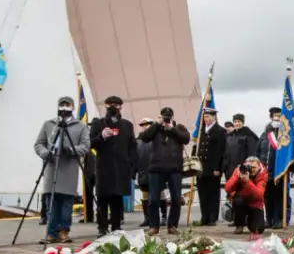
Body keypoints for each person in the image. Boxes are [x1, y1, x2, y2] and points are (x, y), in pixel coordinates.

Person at [34, 96, 90, 245]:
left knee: (66, 203)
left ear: (72, 107)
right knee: (51, 202)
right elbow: (39, 144)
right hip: (51, 168)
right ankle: (51, 233)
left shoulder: (80, 126)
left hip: (69, 170)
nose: (64, 108)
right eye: (62, 105)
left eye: (68, 105)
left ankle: (64, 231)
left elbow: (85, 146)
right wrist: (45, 153)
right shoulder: (49, 124)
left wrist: (71, 150)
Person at [89, 96, 137, 234]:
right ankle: (102, 227)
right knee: (102, 198)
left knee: (117, 199)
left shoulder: (127, 125)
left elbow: (132, 147)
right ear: (105, 105)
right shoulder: (98, 123)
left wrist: (133, 166)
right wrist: (102, 136)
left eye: (117, 105)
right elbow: (91, 144)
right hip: (104, 167)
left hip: (121, 167)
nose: (114, 107)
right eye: (111, 105)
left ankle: (116, 227)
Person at [139, 107, 190, 236]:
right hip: (156, 168)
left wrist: (172, 128)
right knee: (153, 199)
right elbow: (144, 137)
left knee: (176, 199)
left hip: (174, 169)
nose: (167, 119)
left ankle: (172, 225)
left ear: (173, 117)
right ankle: (153, 226)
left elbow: (186, 139)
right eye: (164, 117)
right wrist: (157, 124)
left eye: (169, 117)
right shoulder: (156, 128)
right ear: (160, 117)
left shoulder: (179, 127)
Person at [196, 107, 227, 226]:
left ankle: (212, 218)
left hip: (213, 168)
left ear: (214, 117)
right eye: (204, 117)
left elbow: (220, 151)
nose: (206, 119)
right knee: (202, 193)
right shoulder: (201, 131)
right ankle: (204, 217)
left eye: (208, 116)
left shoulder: (220, 131)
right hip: (201, 168)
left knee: (213, 194)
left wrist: (218, 168)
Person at [225, 157, 267, 239]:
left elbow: (259, 195)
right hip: (241, 201)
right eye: (249, 167)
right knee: (238, 201)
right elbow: (227, 188)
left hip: (255, 203)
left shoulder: (262, 174)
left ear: (259, 166)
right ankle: (239, 224)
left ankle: (250, 221)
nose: (252, 170)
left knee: (259, 229)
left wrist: (248, 182)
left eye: (254, 167)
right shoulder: (240, 170)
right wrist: (237, 178)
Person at [223, 113, 259, 179]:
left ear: (242, 122)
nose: (237, 123)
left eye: (239, 121)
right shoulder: (229, 136)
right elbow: (225, 151)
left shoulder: (249, 135)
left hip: (242, 169)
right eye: (235, 122)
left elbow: (252, 153)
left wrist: (247, 167)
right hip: (229, 169)